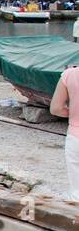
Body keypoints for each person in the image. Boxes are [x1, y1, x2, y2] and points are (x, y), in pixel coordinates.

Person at [51, 65, 79, 202]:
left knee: (77, 191)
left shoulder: (70, 74)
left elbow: (56, 109)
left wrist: (72, 114)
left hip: (75, 136)